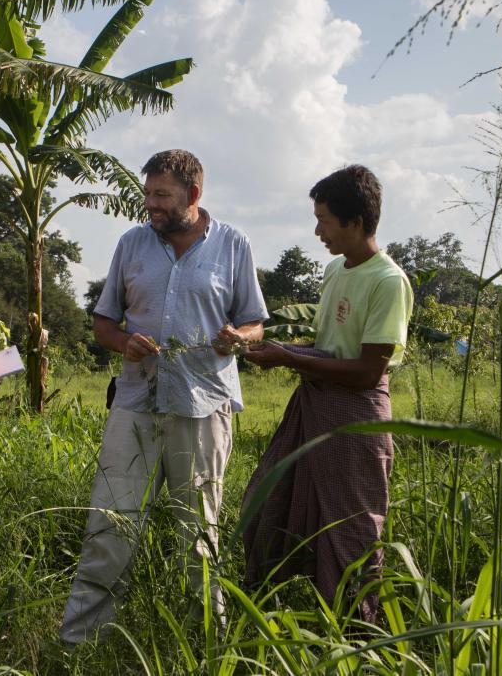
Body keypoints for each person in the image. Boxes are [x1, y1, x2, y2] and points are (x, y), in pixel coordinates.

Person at [60, 149, 269, 643]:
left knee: (196, 534)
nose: (150, 203)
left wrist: (238, 337)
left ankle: (200, 644)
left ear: (193, 195)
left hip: (204, 404)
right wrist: (124, 343)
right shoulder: (132, 244)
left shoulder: (233, 244)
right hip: (135, 402)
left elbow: (257, 323)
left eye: (162, 195)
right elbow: (104, 322)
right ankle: (82, 643)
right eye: (147, 193)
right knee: (111, 526)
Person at [240, 164, 413, 625]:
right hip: (314, 405)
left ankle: (357, 637)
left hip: (357, 416)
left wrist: (290, 359)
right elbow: (329, 347)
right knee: (265, 504)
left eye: (325, 221)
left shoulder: (388, 281)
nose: (317, 231)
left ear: (356, 223)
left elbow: (366, 370)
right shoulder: (336, 268)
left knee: (352, 533)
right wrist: (267, 349)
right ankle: (274, 613)